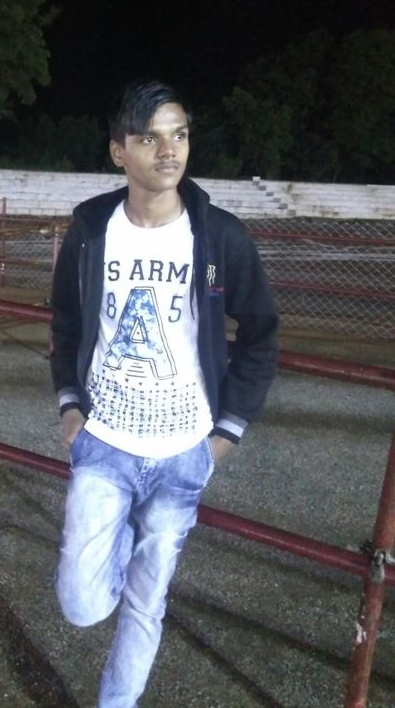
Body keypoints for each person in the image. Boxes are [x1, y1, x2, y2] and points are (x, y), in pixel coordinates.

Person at [49, 78, 278, 707]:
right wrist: (70, 403)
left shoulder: (220, 237)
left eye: (178, 134)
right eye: (149, 138)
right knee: (80, 603)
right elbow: (66, 319)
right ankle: (121, 540)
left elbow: (261, 333)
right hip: (104, 443)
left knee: (146, 604)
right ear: (119, 151)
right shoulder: (91, 228)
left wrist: (225, 433)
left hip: (184, 455)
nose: (168, 149)